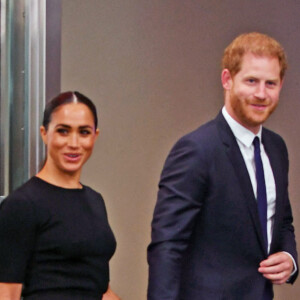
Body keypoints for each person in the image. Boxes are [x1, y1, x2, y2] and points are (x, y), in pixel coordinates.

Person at [147, 32, 298, 300]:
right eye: (251, 81)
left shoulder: (276, 149)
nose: (261, 94)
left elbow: (281, 220)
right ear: (227, 79)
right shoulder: (197, 150)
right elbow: (167, 247)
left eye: (270, 83)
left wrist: (289, 256)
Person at [0, 91, 120, 300]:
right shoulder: (22, 205)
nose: (74, 143)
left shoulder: (95, 201)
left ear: (95, 136)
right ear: (44, 133)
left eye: (84, 132)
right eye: (63, 131)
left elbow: (100, 289)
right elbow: (7, 293)